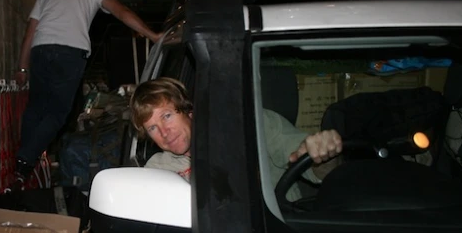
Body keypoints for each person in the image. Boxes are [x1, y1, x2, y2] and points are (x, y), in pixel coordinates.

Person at [12, 0, 162, 188]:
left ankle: (22, 160)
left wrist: (22, 67)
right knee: (58, 113)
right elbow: (121, 12)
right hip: (70, 51)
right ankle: (25, 162)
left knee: (35, 107)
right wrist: (152, 35)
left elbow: (29, 31)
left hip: (41, 49)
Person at [129, 78, 343, 200]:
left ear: (189, 112)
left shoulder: (255, 126)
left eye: (167, 116)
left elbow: (315, 168)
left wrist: (322, 154)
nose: (164, 132)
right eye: (153, 128)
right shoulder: (158, 169)